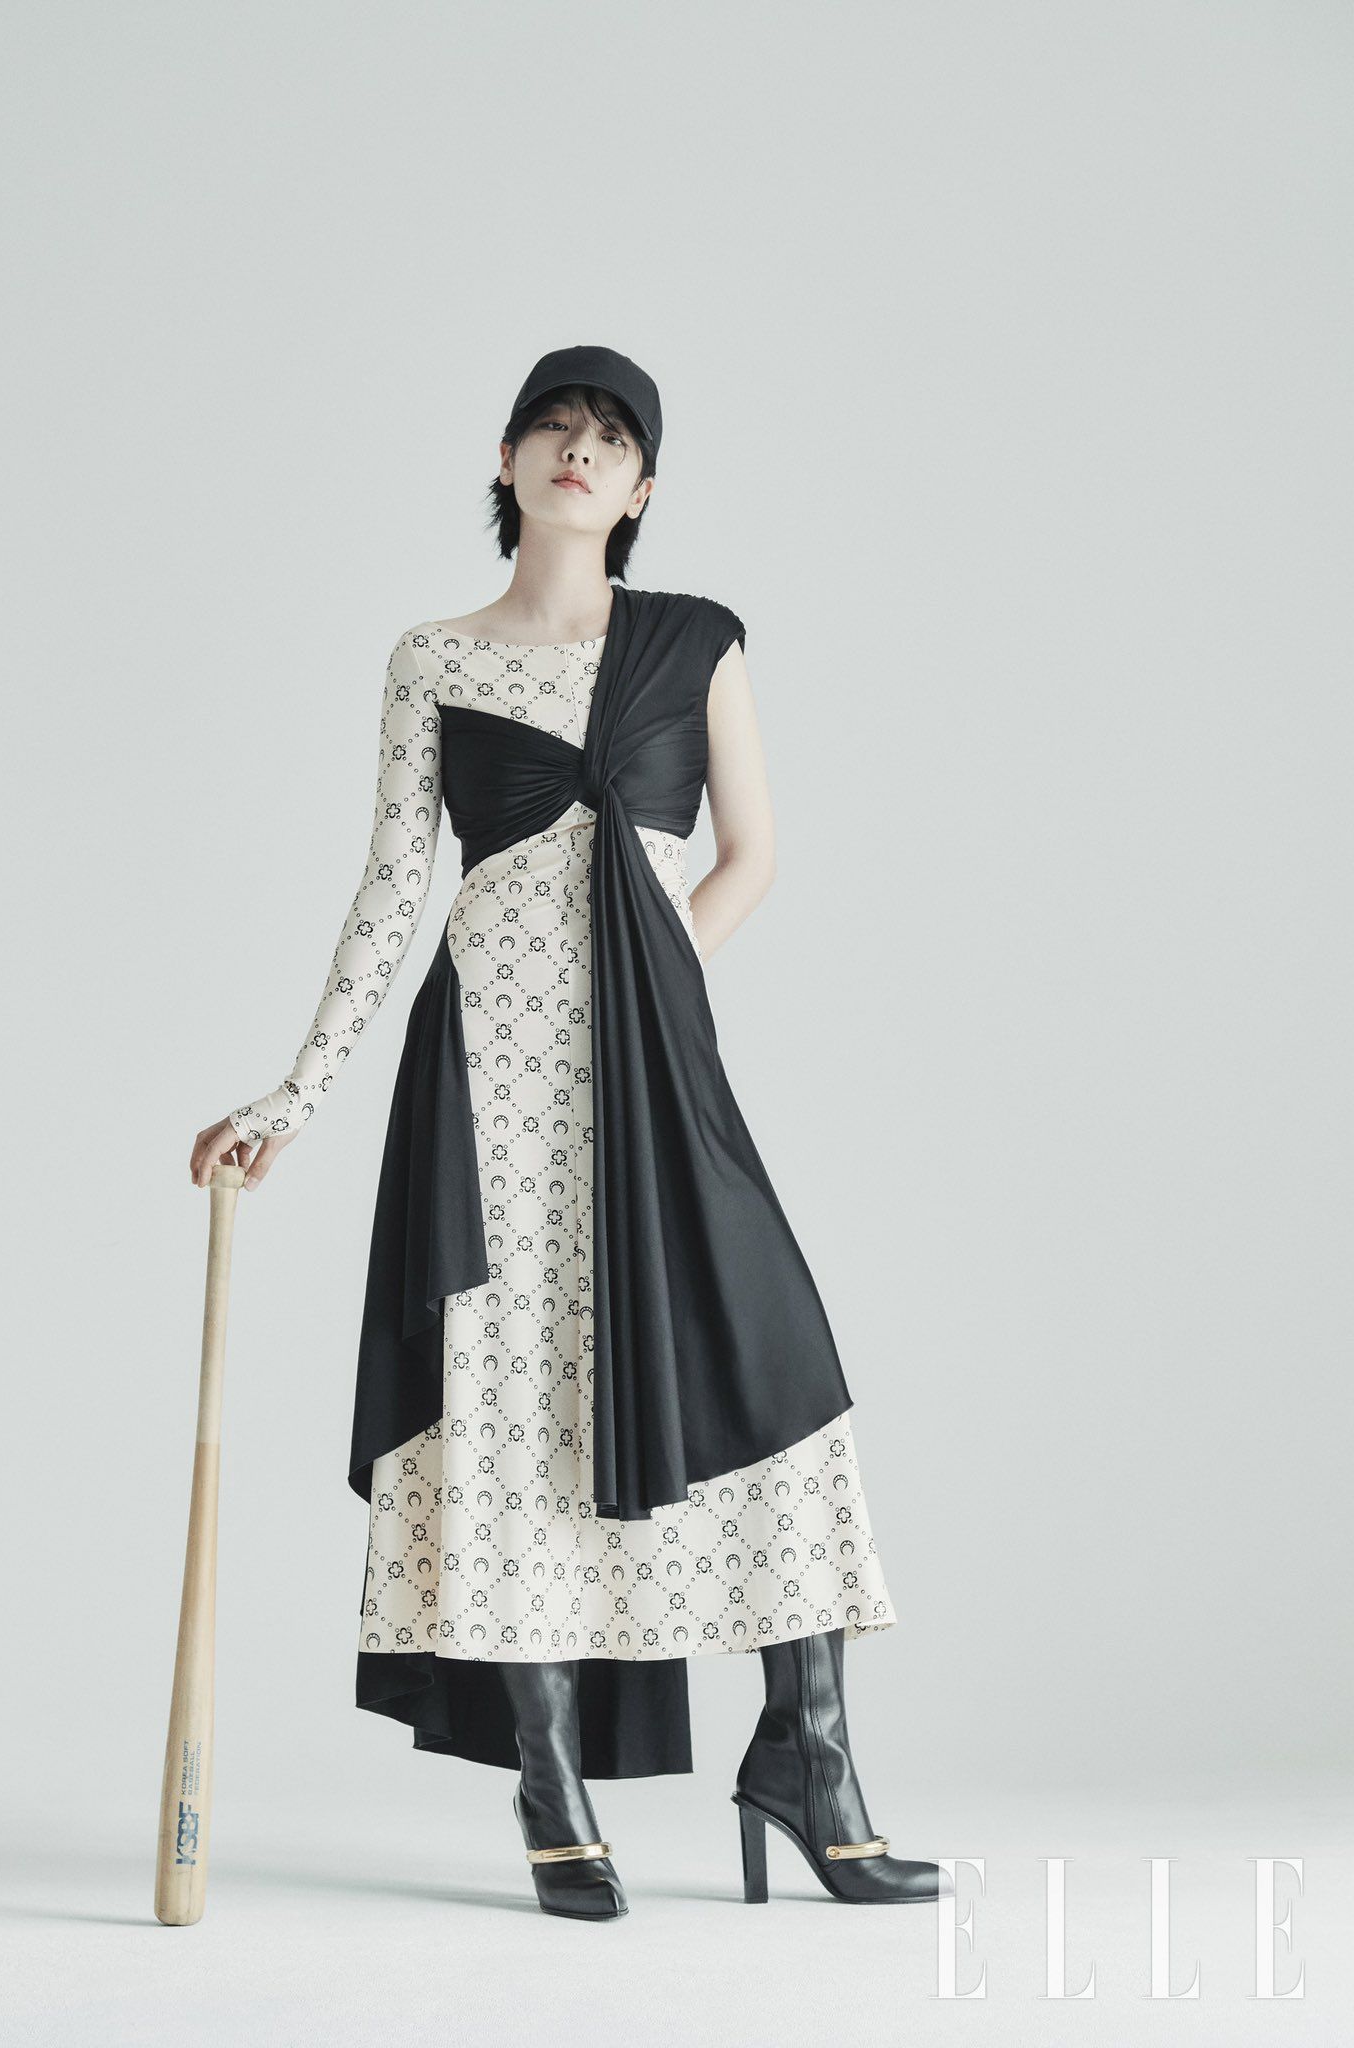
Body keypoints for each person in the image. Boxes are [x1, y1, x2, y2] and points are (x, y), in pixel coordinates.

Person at [192, 345, 950, 1920]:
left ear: (642, 487)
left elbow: (750, 853)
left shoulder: (695, 641)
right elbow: (392, 889)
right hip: (482, 1080)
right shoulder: (432, 658)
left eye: (611, 437)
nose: (579, 450)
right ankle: (552, 1793)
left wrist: (656, 983)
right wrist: (293, 1096)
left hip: (654, 1072)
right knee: (508, 1402)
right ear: (510, 460)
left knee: (776, 1378)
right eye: (554, 426)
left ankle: (807, 1761)